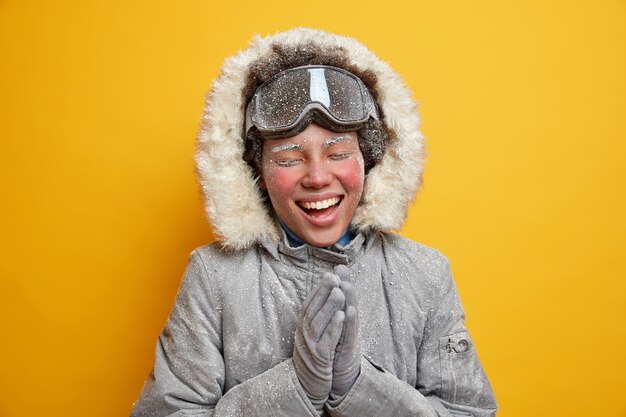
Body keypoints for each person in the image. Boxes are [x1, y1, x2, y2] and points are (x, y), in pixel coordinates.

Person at [131, 28, 497, 417]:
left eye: (338, 152)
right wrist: (293, 387)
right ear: (255, 172)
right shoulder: (213, 277)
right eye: (289, 159)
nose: (318, 177)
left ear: (370, 160)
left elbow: (469, 412)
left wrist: (359, 386)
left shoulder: (426, 275)